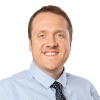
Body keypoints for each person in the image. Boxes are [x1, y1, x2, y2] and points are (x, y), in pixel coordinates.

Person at [0, 5, 99, 100]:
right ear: (30, 44)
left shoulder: (88, 89)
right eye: (42, 35)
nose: (51, 43)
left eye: (59, 35)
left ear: (70, 44)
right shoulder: (5, 91)